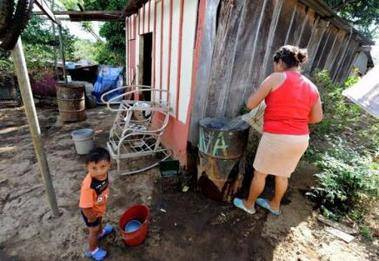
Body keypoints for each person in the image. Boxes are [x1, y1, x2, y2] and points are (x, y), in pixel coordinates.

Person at [233, 45, 323, 215]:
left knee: (260, 174)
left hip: (277, 137)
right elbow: (317, 118)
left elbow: (250, 104)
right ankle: (274, 206)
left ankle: (249, 204)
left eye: (275, 64)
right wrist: (297, 119)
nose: (274, 67)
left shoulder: (276, 78)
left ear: (281, 61)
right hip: (300, 139)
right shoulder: (312, 87)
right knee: (283, 175)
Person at [79, 147, 113, 260]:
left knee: (100, 222)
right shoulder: (89, 186)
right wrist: (91, 218)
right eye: (94, 168)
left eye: (103, 167)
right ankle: (93, 250)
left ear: (109, 165)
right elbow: (84, 206)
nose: (99, 171)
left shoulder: (104, 175)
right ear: (87, 167)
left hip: (99, 208)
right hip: (90, 212)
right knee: (93, 231)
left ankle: (101, 232)